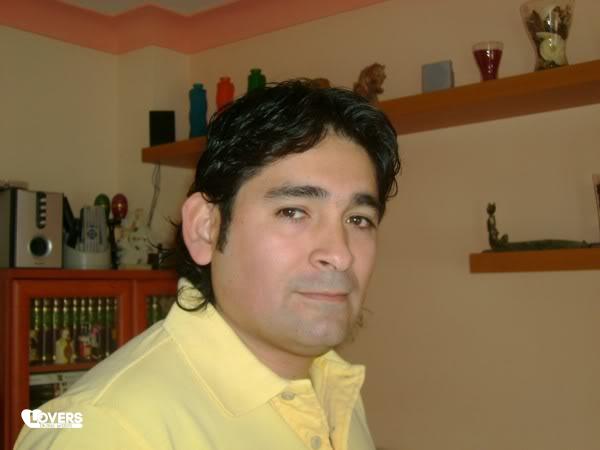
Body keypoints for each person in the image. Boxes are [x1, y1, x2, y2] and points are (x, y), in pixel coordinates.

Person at [15, 79, 400, 450]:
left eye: (358, 219)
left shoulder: (336, 388)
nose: (340, 254)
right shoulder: (105, 428)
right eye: (293, 212)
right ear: (206, 228)